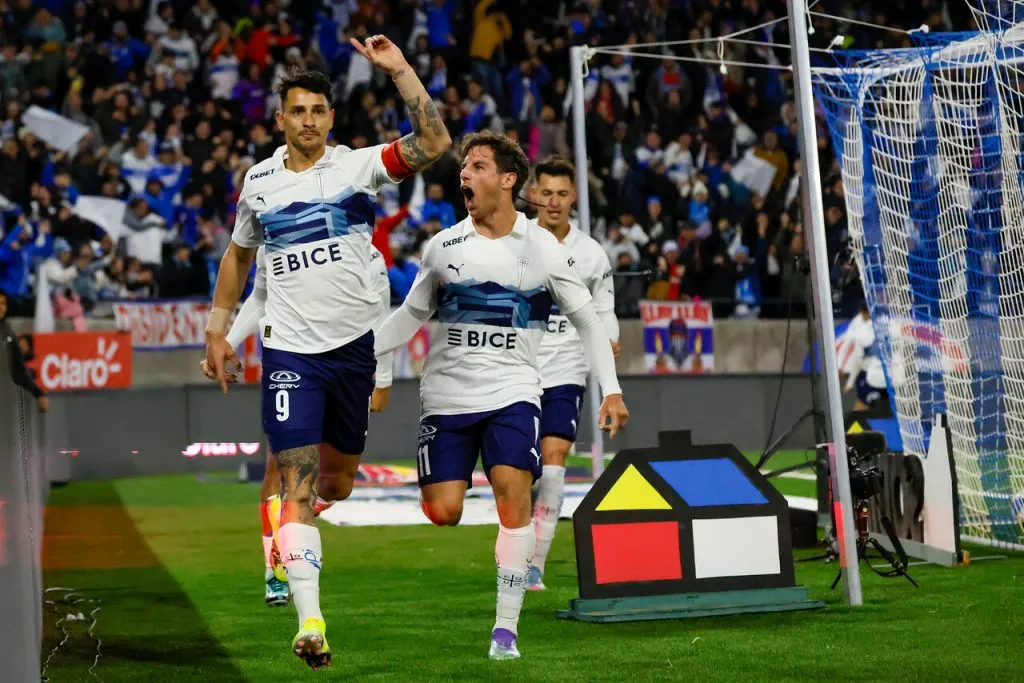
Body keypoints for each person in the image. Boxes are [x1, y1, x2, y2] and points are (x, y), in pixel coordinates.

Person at [203, 36, 451, 671]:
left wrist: (400, 71)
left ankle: (289, 537)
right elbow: (238, 257)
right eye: (298, 111)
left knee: (335, 483)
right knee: (297, 481)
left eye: (318, 110)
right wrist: (218, 331)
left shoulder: (358, 167)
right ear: (280, 118)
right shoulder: (259, 183)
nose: (308, 120)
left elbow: (434, 144)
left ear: (331, 118)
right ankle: (310, 619)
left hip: (352, 354)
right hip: (290, 354)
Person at [373, 131, 629, 661]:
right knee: (443, 510)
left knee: (515, 494)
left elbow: (588, 321)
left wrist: (612, 391)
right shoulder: (443, 247)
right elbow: (409, 317)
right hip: (447, 397)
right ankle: (459, 510)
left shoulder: (544, 250)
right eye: (464, 167)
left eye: (477, 166)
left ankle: (505, 631)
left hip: (514, 390)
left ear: (508, 180)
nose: (464, 174)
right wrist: (353, 352)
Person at [201, 245, 394, 607]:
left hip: (348, 368)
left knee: (337, 485)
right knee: (280, 466)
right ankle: (275, 569)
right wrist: (228, 340)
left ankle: (295, 517)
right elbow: (260, 296)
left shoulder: (365, 252)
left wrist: (382, 378)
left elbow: (381, 316)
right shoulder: (276, 236)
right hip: (292, 360)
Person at [526, 155, 620, 591]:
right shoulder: (517, 241)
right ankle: (520, 532)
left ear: (573, 197)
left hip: (566, 367)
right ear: (533, 194)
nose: (554, 202)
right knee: (519, 470)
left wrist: (610, 339)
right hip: (518, 369)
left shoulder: (591, 253)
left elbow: (605, 309)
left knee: (555, 460)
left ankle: (534, 564)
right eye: (546, 193)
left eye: (562, 194)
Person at [0, 290, 48, 412]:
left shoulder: (7, 332)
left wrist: (38, 394)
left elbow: (18, 371)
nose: (1, 307)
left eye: (3, 303)